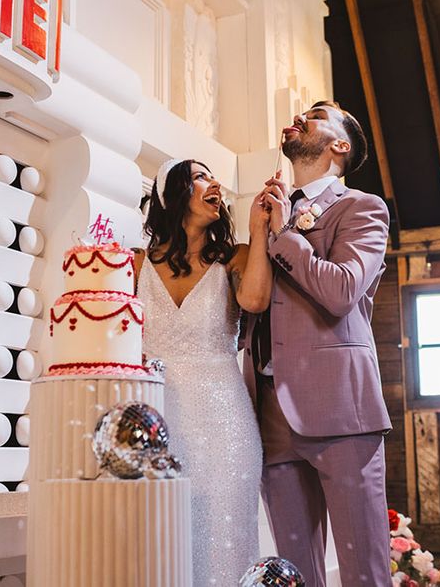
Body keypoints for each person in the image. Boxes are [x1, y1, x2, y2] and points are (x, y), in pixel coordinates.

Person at [244, 100, 392, 586]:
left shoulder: (363, 208)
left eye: (317, 113)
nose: (300, 114)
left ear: (340, 145)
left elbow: (342, 290)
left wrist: (285, 233)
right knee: (294, 574)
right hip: (270, 413)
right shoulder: (267, 215)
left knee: (363, 571)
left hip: (341, 411)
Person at [134, 158, 271, 584]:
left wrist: (259, 230)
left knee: (225, 537)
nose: (215, 184)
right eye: (200, 176)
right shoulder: (135, 264)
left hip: (224, 423)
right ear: (173, 193)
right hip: (157, 418)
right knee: (158, 537)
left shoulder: (235, 256)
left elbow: (254, 301)